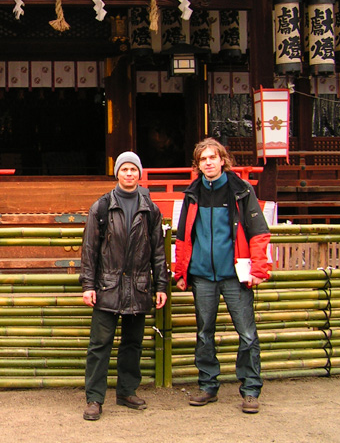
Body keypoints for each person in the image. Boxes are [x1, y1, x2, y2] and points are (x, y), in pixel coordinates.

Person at [174, 138, 271, 414]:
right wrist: (181, 271)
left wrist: (258, 269)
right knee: (204, 332)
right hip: (203, 274)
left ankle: (250, 389)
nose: (208, 163)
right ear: (198, 164)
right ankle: (207, 386)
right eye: (203, 159)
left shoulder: (241, 190)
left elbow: (258, 232)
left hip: (234, 274)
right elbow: (183, 236)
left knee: (247, 333)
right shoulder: (192, 193)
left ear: (223, 160)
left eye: (213, 158)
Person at [79, 151, 169, 421]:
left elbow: (158, 252)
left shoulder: (150, 209)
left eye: (133, 169)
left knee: (133, 343)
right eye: (124, 169)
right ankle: (95, 398)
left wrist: (161, 285)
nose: (129, 174)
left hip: (139, 286)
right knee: (100, 344)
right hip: (107, 285)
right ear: (117, 172)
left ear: (139, 173)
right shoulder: (103, 206)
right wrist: (88, 285)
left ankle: (127, 391)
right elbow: (90, 249)